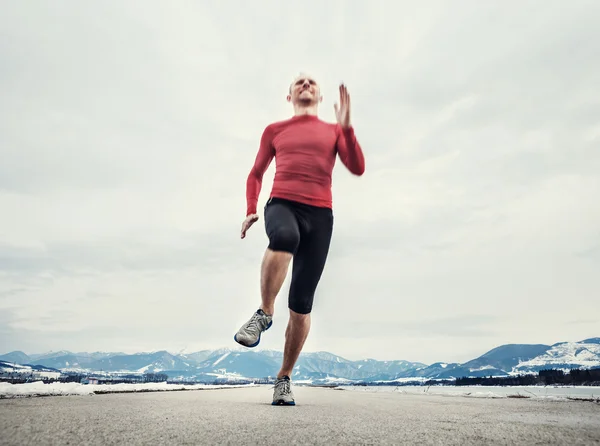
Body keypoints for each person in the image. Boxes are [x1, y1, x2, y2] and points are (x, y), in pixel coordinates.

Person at [234, 73, 365, 405]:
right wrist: (252, 207)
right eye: (298, 82)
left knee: (302, 305)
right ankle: (264, 313)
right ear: (289, 96)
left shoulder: (335, 131)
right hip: (283, 204)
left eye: (312, 83)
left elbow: (357, 166)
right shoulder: (275, 130)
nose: (306, 84)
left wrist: (347, 129)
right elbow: (256, 172)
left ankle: (284, 378)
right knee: (284, 236)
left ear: (321, 98)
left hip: (320, 216)